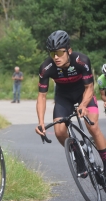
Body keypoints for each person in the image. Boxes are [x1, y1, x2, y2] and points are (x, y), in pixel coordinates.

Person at [35, 30, 106, 176]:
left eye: (60, 53)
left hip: (83, 95)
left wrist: (83, 105)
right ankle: (78, 154)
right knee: (59, 131)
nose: (56, 57)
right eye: (52, 53)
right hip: (63, 97)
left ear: (69, 51)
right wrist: (41, 122)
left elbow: (89, 87)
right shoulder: (46, 68)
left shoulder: (82, 60)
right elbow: (42, 96)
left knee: (92, 125)